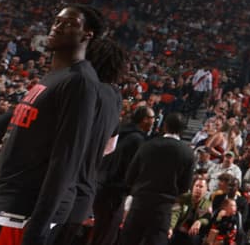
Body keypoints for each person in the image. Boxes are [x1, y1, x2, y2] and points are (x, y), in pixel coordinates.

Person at [0, 5, 103, 245]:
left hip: (23, 212)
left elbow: (67, 159)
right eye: (57, 21)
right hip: (7, 203)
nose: (58, 26)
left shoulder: (80, 82)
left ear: (87, 35)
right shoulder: (55, 76)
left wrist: (40, 224)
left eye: (69, 23)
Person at [49, 37, 128, 245]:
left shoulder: (80, 86)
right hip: (83, 192)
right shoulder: (116, 96)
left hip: (55, 189)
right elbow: (109, 147)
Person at [120, 112, 195, 245]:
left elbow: (130, 176)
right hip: (163, 210)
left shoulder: (148, 145)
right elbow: (185, 187)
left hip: (139, 204)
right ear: (183, 130)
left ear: (164, 126)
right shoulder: (187, 153)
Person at [90, 105, 155, 245]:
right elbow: (133, 170)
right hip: (114, 192)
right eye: (152, 117)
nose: (154, 121)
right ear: (144, 119)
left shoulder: (120, 131)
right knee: (106, 235)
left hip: (99, 185)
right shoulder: (137, 139)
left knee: (97, 232)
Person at [170, 175, 213, 245]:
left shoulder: (207, 203)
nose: (198, 188)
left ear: (206, 190)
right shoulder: (183, 198)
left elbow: (207, 218)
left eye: (201, 187)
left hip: (193, 234)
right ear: (192, 187)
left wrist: (199, 221)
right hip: (178, 230)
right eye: (196, 186)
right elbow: (175, 213)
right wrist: (171, 227)